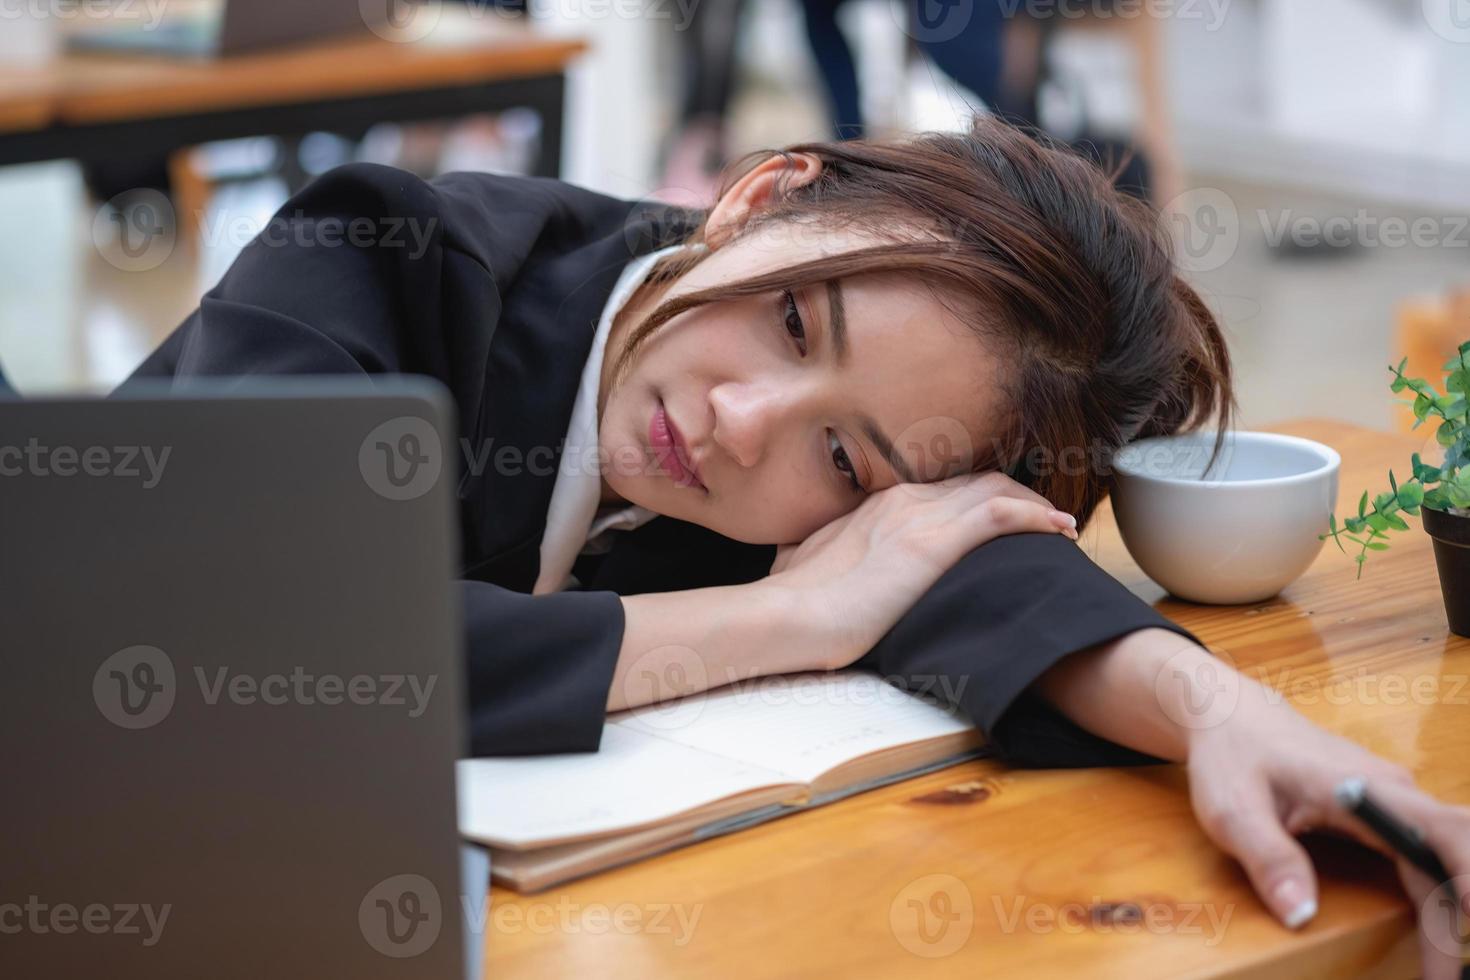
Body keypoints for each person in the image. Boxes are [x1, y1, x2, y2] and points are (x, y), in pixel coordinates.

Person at [121, 116, 1468, 973]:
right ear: (762, 197)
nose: (738, 424)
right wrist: (777, 622)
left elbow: (994, 575)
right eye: (791, 326)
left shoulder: (848, 496)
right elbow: (264, 639)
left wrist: (1222, 713)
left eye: (844, 459)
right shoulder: (388, 253)